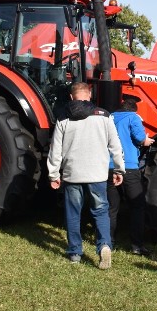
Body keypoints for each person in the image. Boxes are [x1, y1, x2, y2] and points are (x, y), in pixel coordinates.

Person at [48, 82, 124, 269]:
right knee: (100, 212)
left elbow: (55, 150)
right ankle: (104, 245)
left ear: (72, 97)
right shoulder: (104, 116)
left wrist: (53, 174)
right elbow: (115, 145)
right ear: (90, 96)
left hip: (73, 175)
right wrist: (119, 169)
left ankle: (75, 252)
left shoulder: (63, 118)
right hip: (97, 175)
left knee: (73, 214)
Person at [107, 97, 155, 255]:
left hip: (109, 167)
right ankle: (136, 245)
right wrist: (147, 141)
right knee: (137, 206)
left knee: (111, 208)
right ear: (134, 109)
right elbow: (140, 138)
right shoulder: (133, 117)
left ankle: (109, 242)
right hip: (128, 167)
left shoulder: (109, 117)